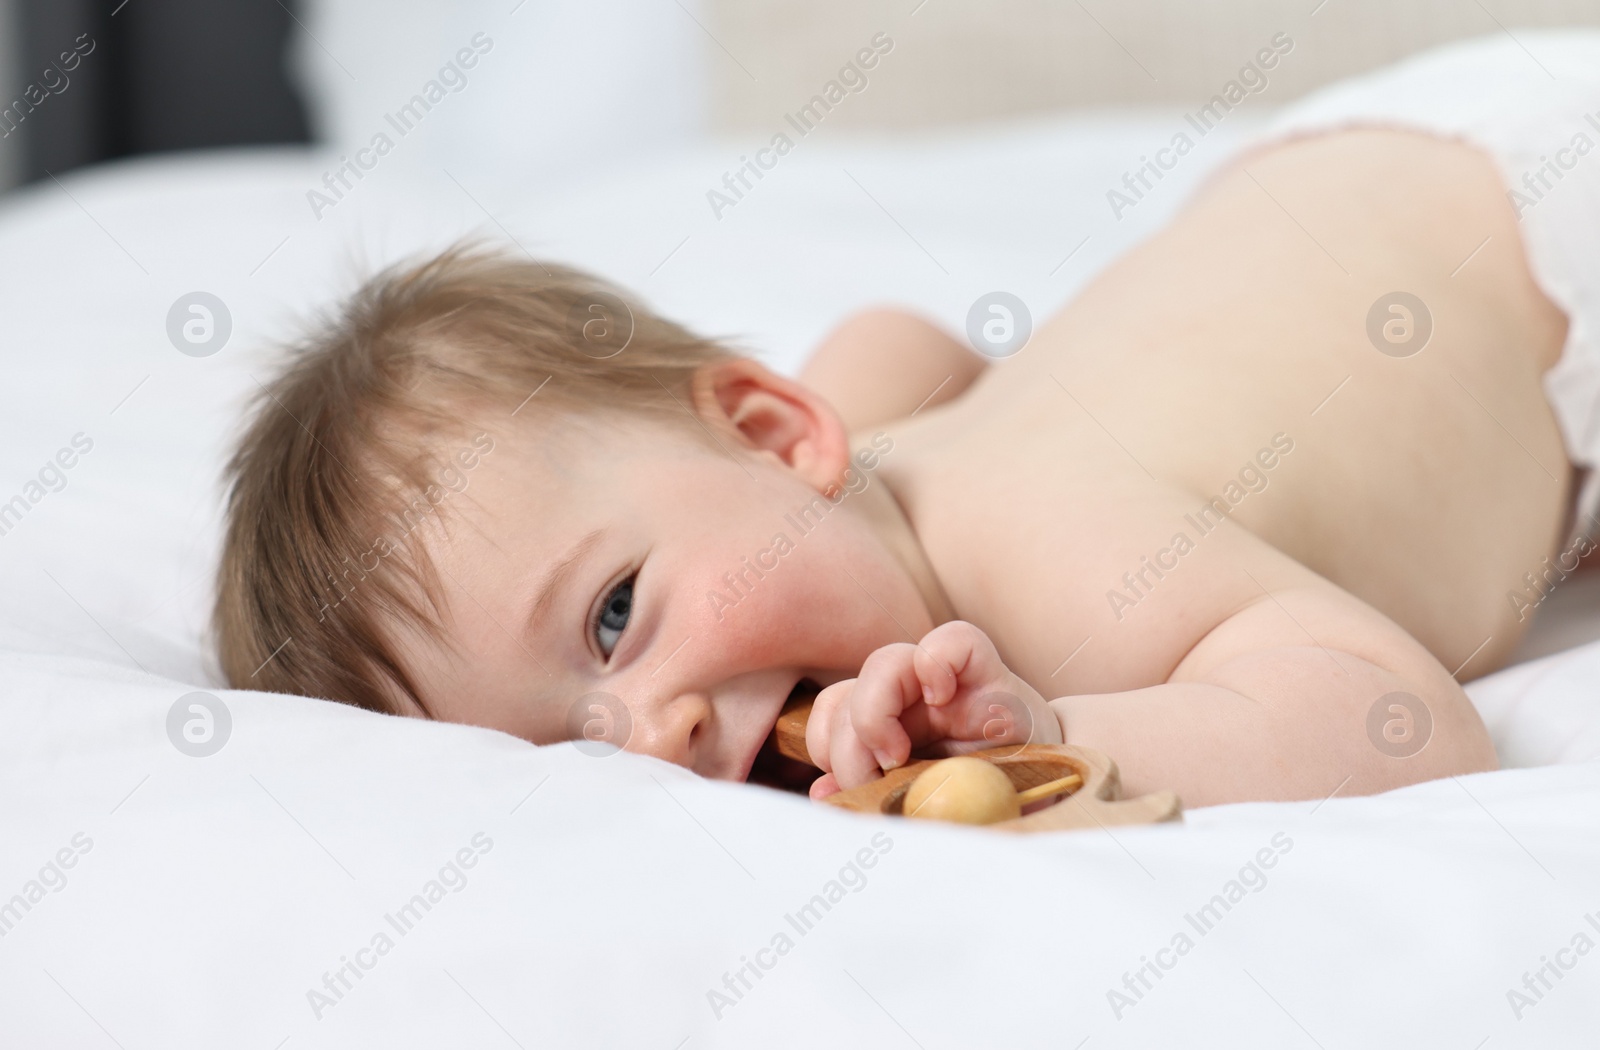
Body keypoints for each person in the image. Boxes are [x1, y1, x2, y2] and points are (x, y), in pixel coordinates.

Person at [215, 32, 1600, 807]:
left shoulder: (1072, 557)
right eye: (566, 741)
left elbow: (1400, 716)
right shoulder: (851, 435)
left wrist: (1048, 735)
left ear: (773, 431)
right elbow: (901, 338)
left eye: (617, 617)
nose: (649, 733)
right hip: (1354, 176)